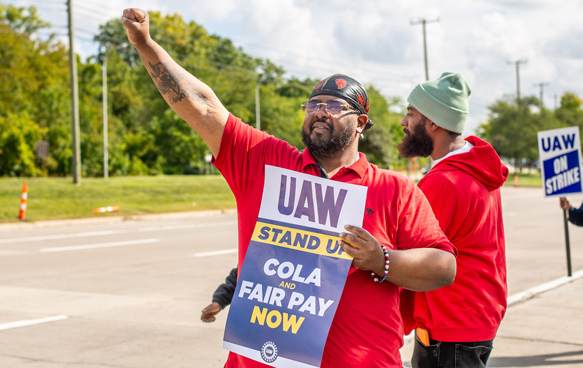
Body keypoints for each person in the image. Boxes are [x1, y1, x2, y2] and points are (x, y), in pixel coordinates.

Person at [122, 8, 457, 367]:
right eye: (313, 105)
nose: (319, 111)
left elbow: (444, 267)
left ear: (361, 123)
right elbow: (203, 106)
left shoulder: (395, 190)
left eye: (333, 106)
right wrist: (145, 45)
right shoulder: (265, 162)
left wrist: (382, 259)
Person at [397, 72, 509, 367]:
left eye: (411, 113)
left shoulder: (446, 181)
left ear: (433, 122)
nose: (403, 123)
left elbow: (411, 254)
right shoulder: (476, 166)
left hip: (450, 325)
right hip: (475, 315)